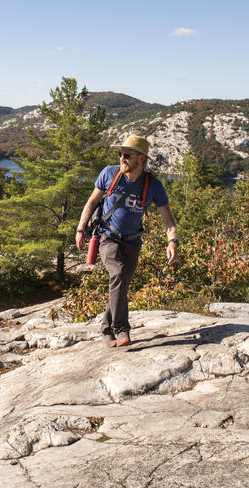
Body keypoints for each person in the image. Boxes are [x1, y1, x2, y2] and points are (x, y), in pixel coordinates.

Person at [75, 135, 178, 347]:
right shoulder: (109, 173)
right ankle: (121, 328)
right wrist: (80, 228)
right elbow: (92, 201)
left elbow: (168, 218)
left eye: (127, 155)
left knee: (120, 285)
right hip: (107, 236)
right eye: (120, 154)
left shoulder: (153, 185)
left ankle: (105, 328)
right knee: (119, 274)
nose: (122, 158)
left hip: (133, 242)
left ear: (141, 159)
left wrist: (172, 242)